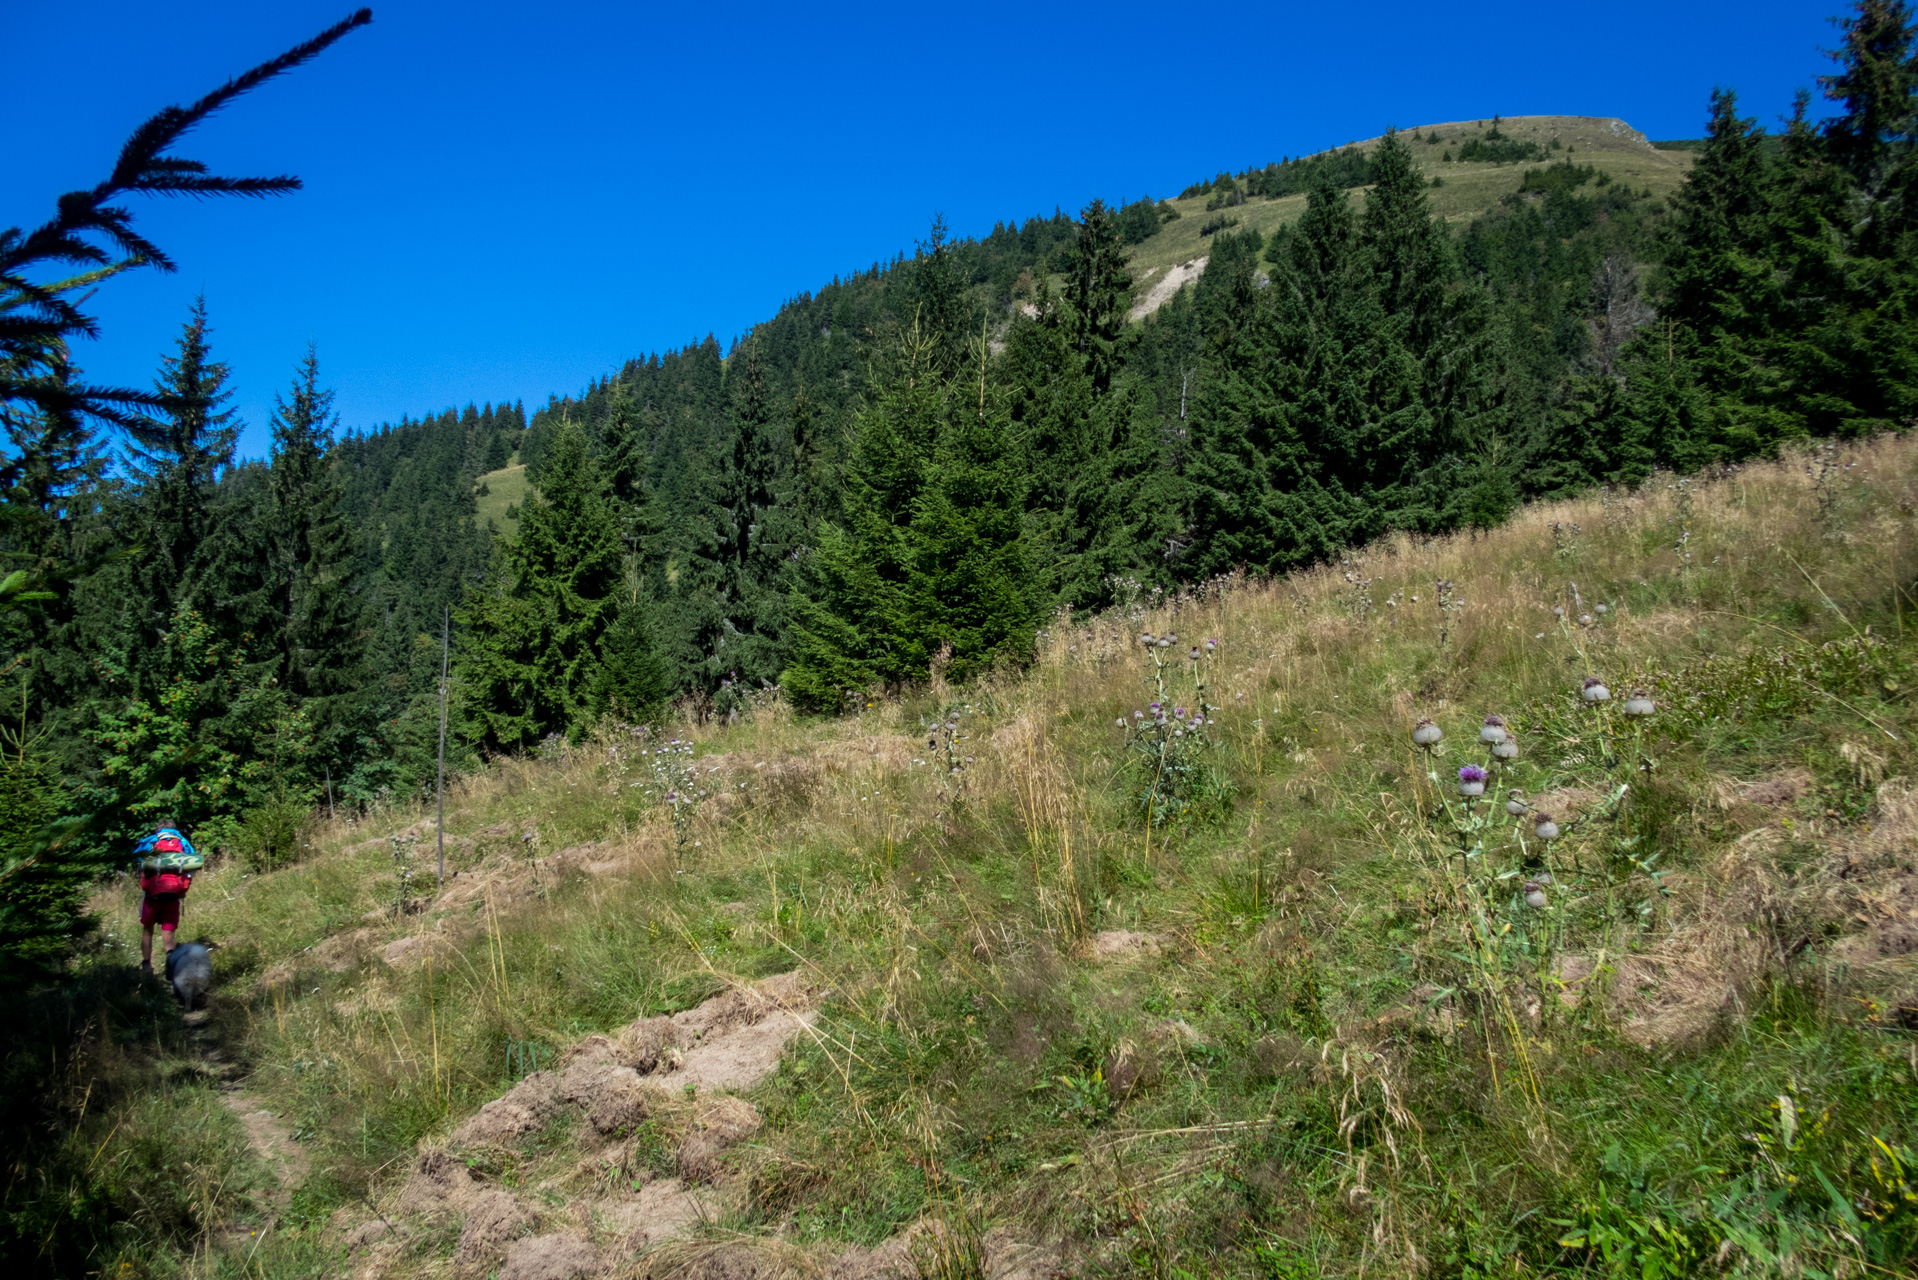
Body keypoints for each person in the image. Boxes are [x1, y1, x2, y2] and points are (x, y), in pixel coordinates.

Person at [135, 821, 198, 973]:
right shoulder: (183, 843)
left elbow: (138, 859)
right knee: (168, 933)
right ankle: (171, 962)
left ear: (159, 829)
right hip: (173, 894)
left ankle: (146, 965)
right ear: (174, 829)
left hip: (152, 896)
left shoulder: (151, 841)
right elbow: (192, 867)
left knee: (148, 930)